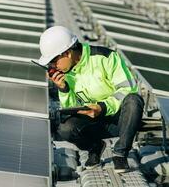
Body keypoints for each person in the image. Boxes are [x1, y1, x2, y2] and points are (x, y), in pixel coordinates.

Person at [38, 26, 144, 173]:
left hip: (120, 120)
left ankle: (120, 153)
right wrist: (63, 89)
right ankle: (95, 147)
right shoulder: (65, 73)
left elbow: (128, 89)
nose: (52, 66)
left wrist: (103, 107)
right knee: (65, 128)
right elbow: (71, 110)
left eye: (54, 61)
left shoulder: (106, 57)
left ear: (67, 53)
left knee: (134, 101)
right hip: (94, 122)